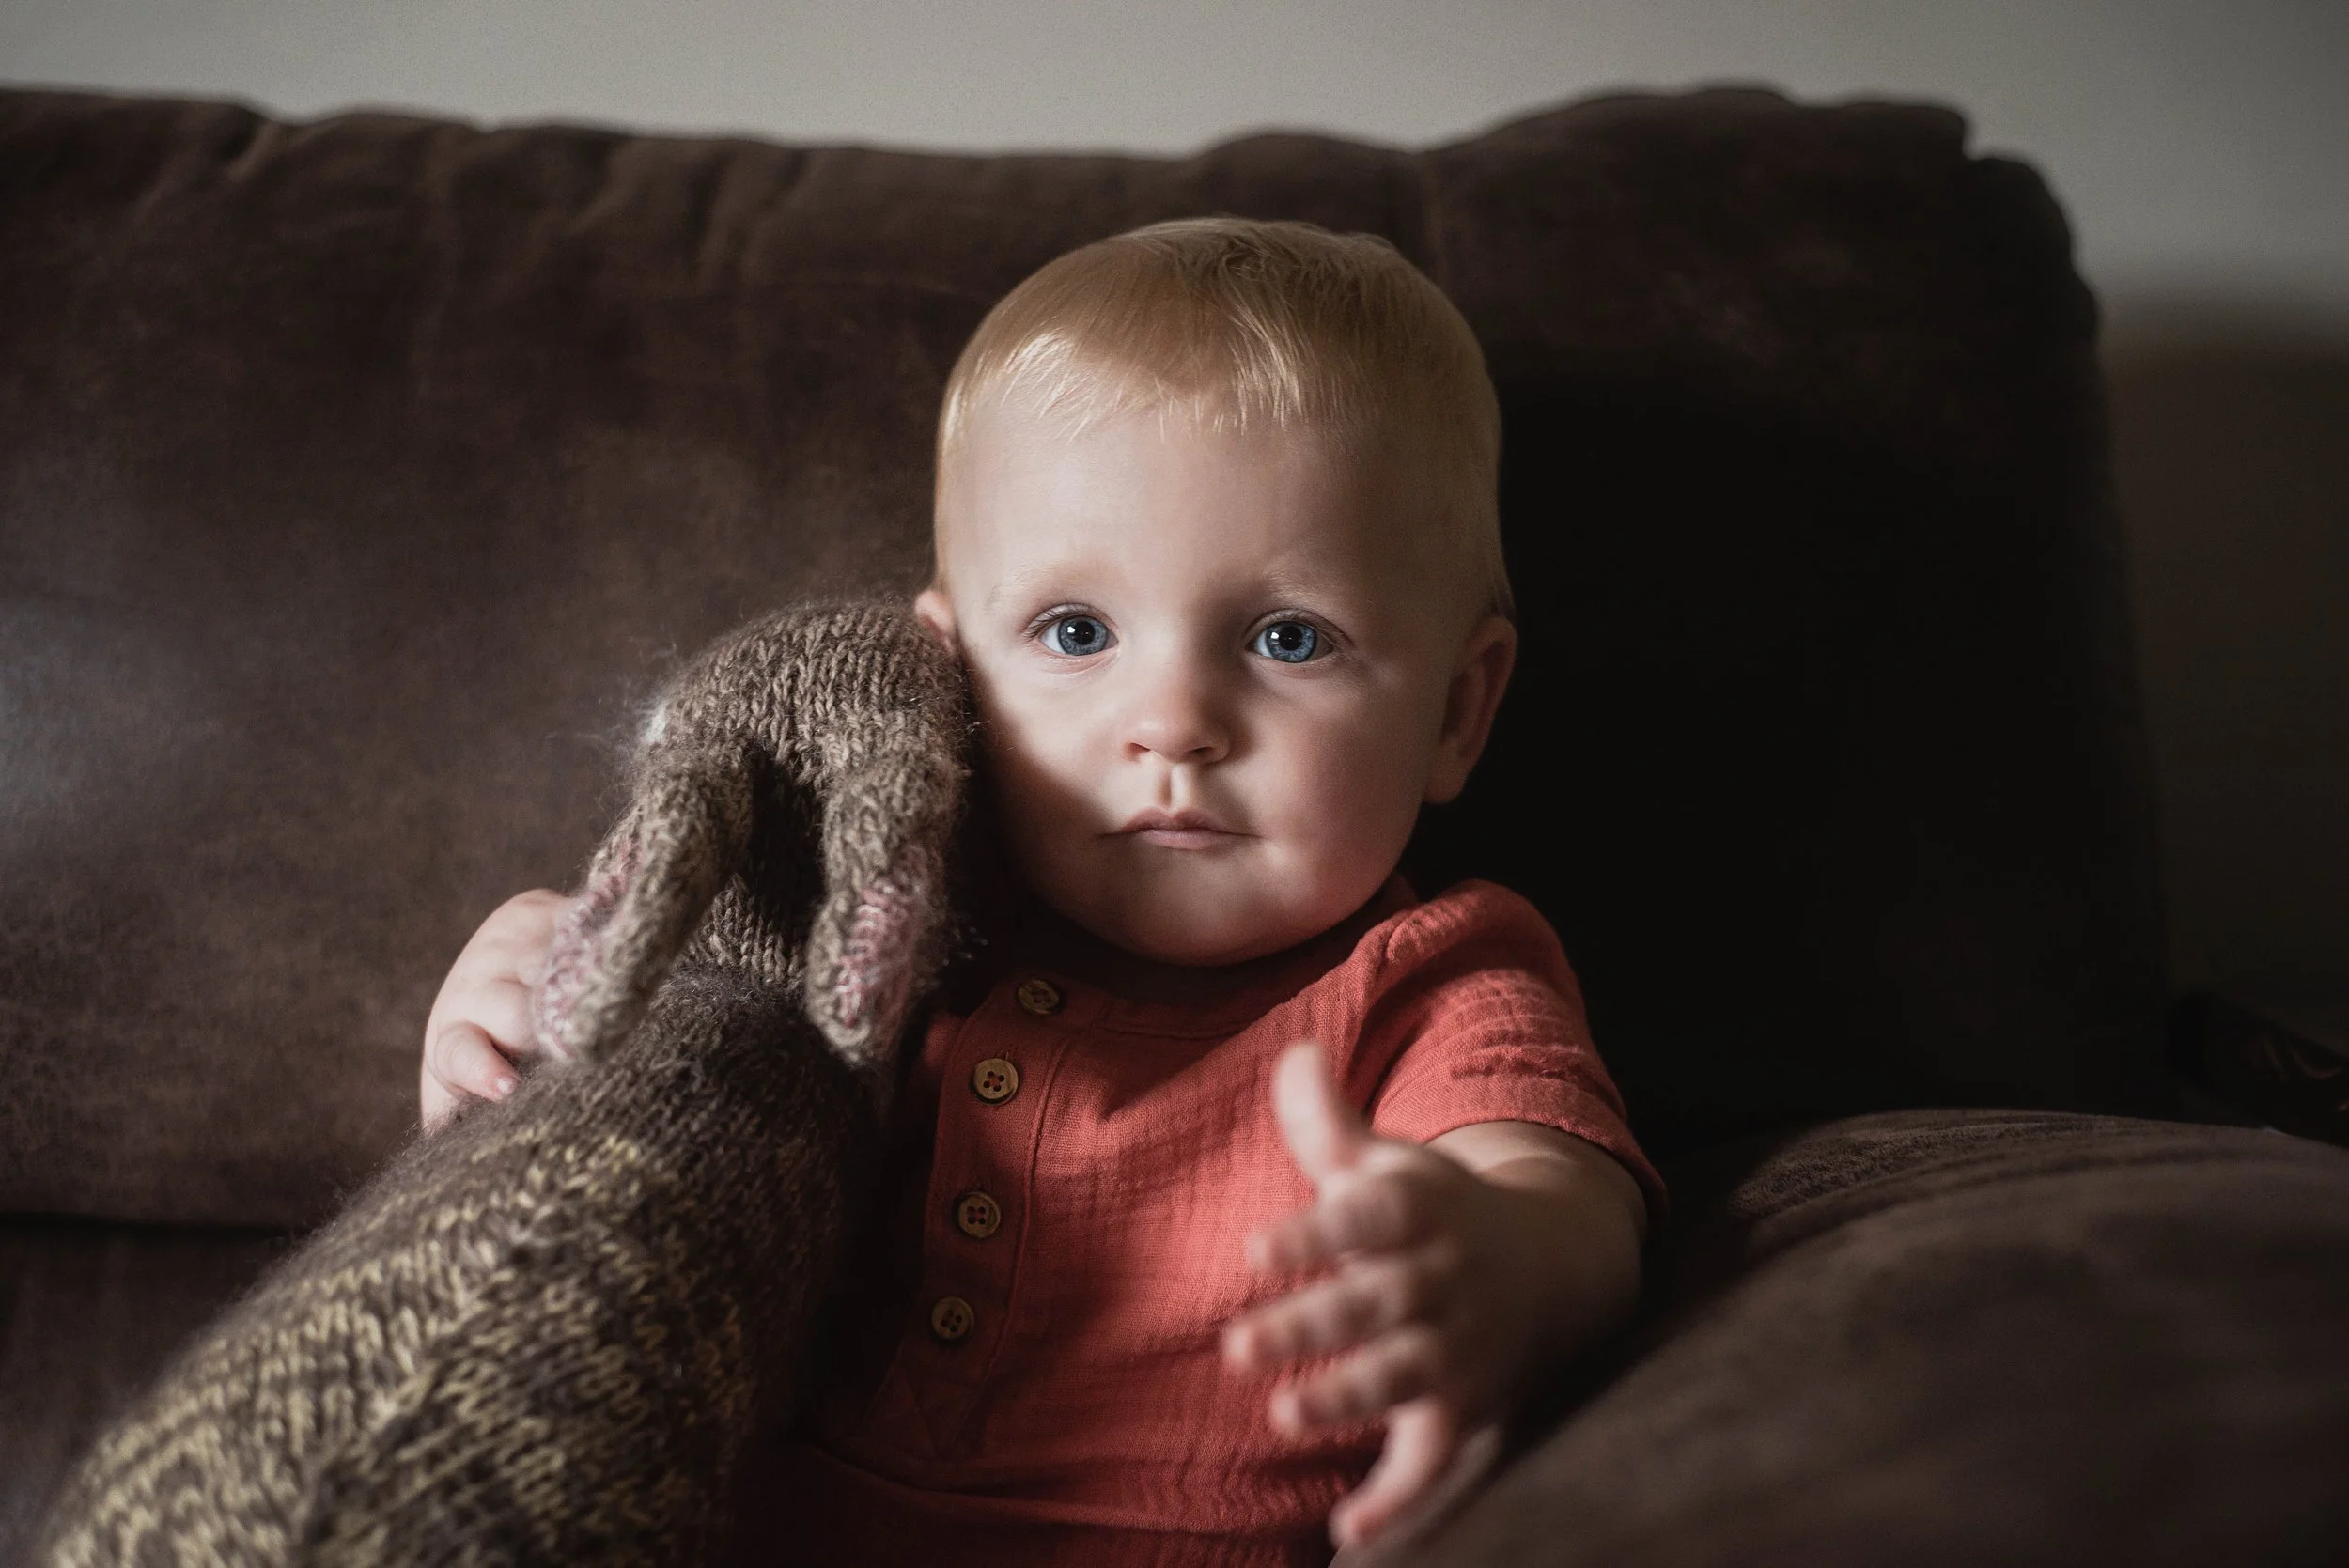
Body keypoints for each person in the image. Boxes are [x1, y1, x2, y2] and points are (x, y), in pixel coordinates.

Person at [415, 218, 1664, 1566]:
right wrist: (531, 985)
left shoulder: (1429, 977)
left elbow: (1561, 1193)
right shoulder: (900, 934)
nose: (1174, 723)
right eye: (1077, 634)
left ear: (1456, 714)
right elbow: (673, 1071)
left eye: (1289, 638)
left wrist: (1487, 1259)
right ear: (953, 680)